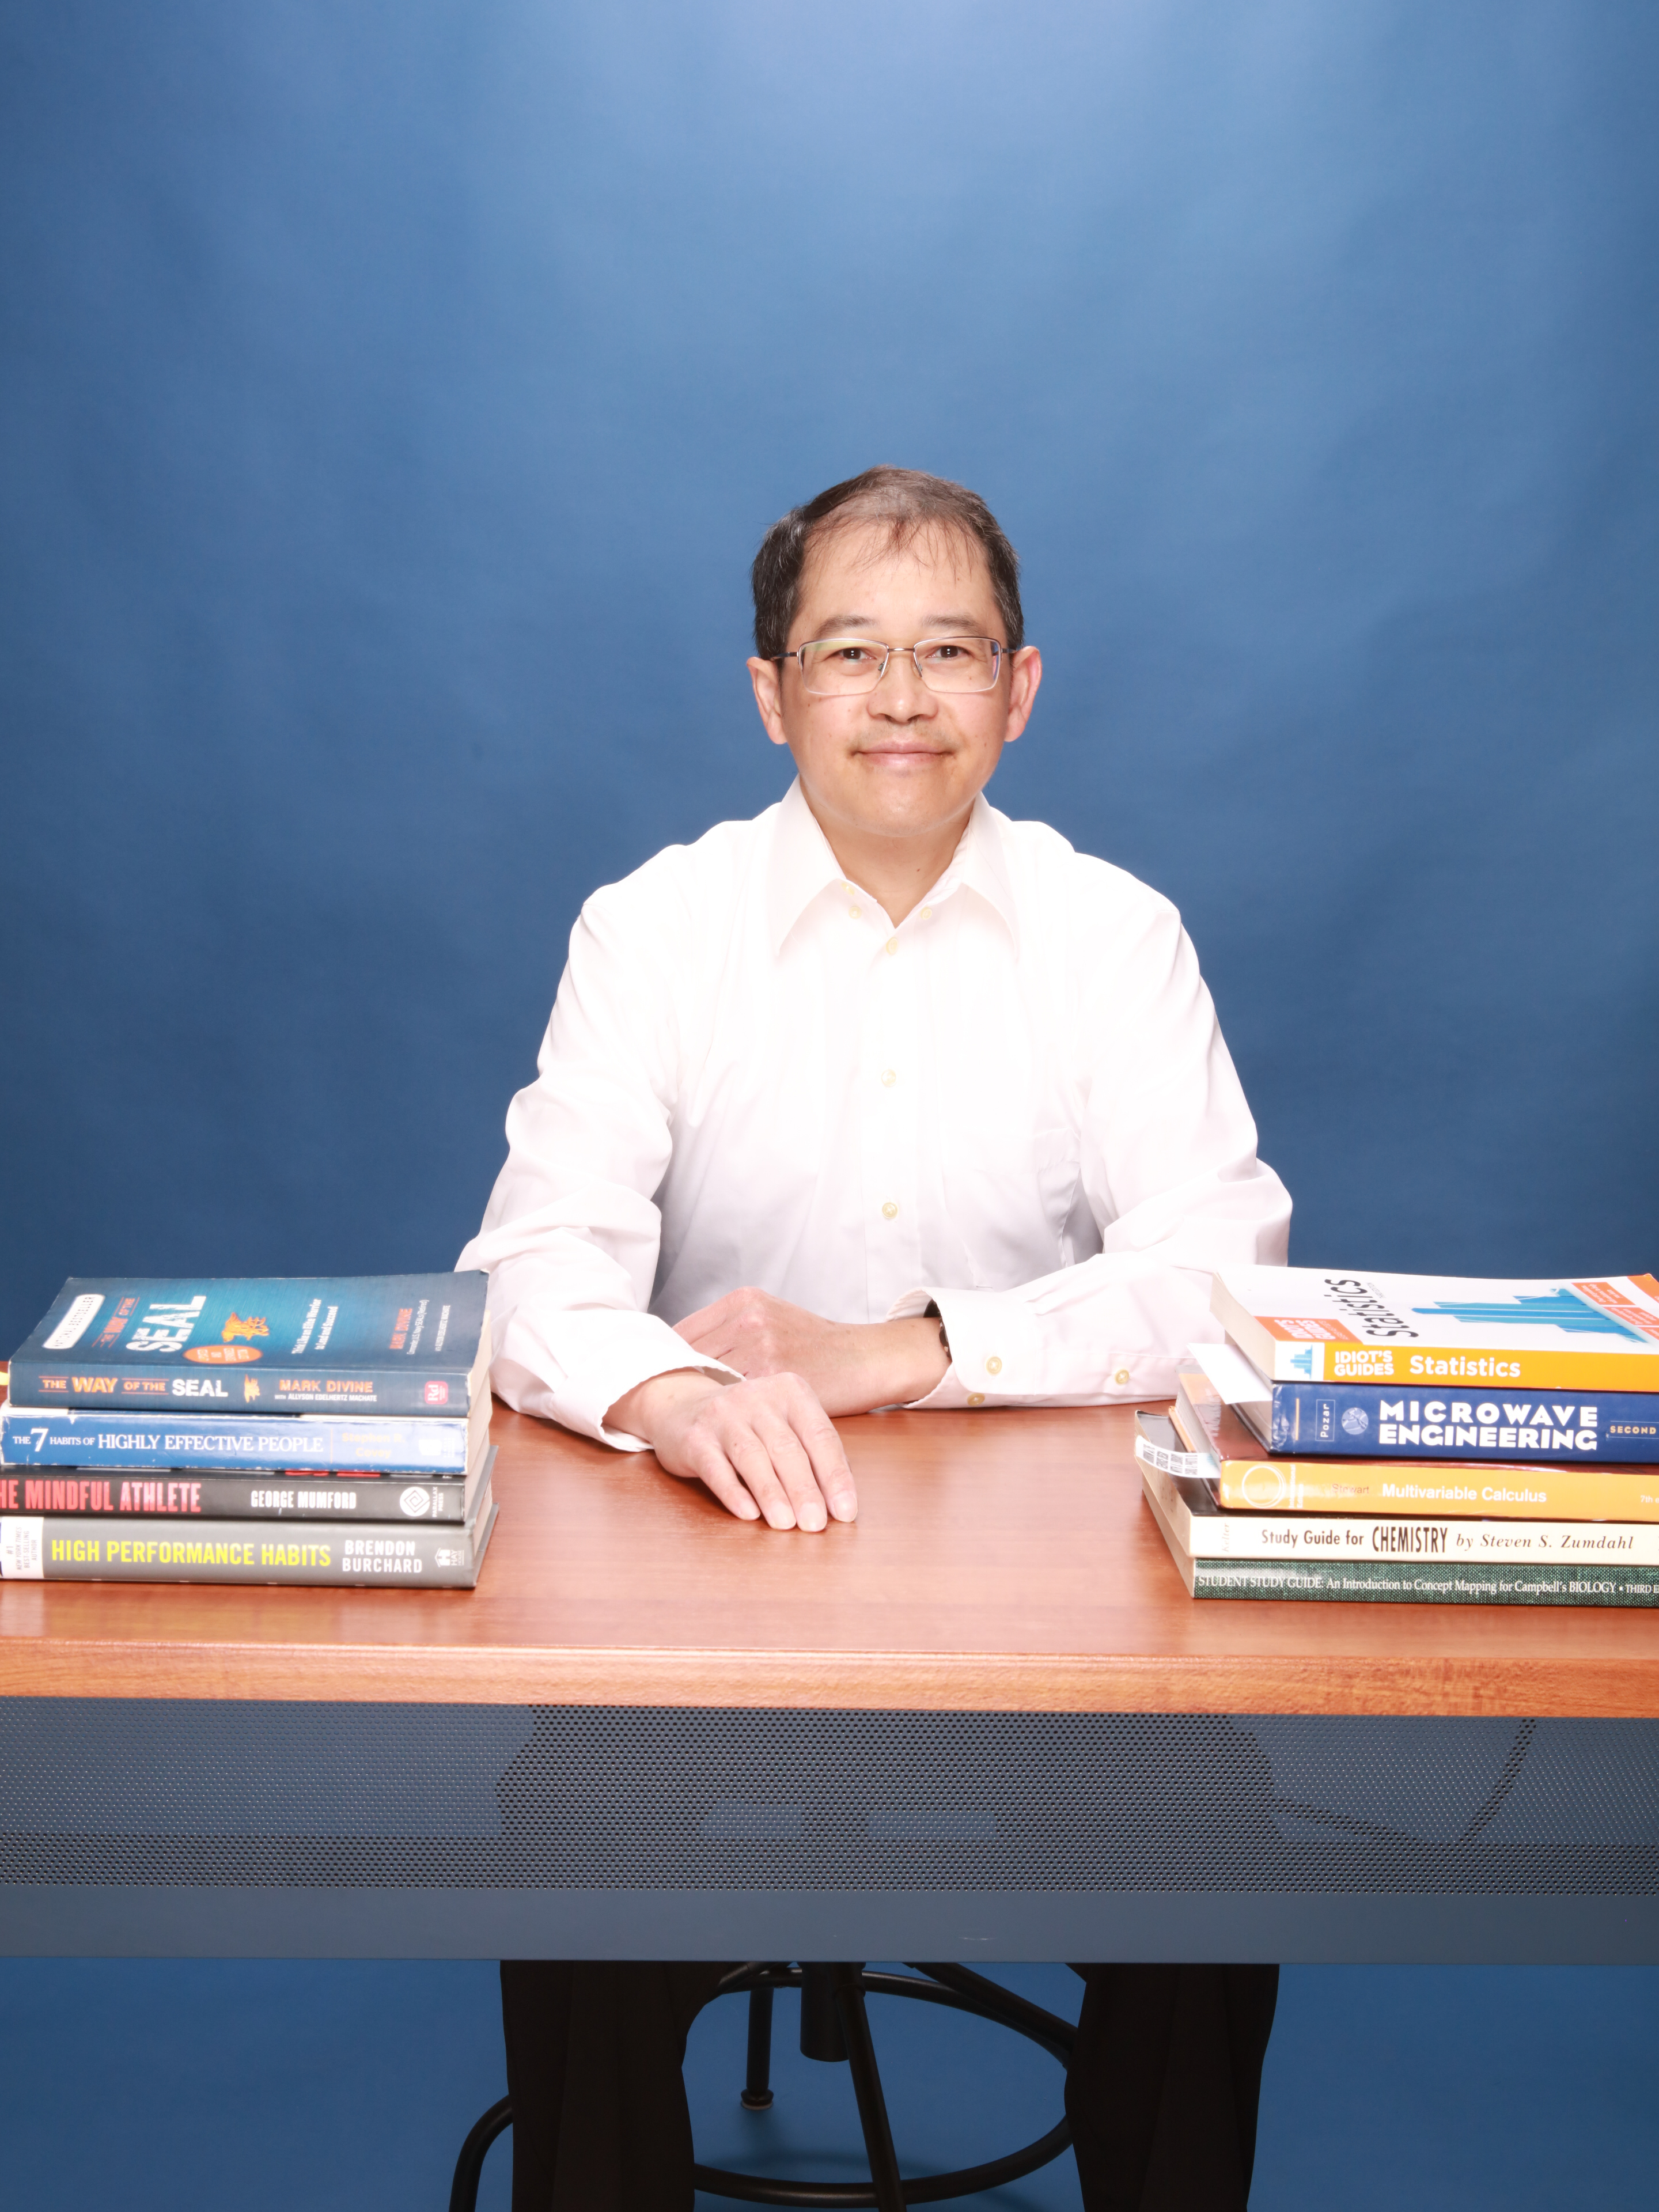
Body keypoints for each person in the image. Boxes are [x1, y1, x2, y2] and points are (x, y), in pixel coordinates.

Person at [459, 466, 1291, 2210]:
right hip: (705, 1615)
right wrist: (678, 1393)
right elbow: (530, 1269)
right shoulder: (653, 927)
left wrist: (900, 1348)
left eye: (950, 651)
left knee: (1224, 1831)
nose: (904, 699)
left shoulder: (1116, 935)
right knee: (562, 1828)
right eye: (850, 652)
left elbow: (1230, 1280)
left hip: (1068, 1632)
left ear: (1021, 688)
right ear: (771, 693)